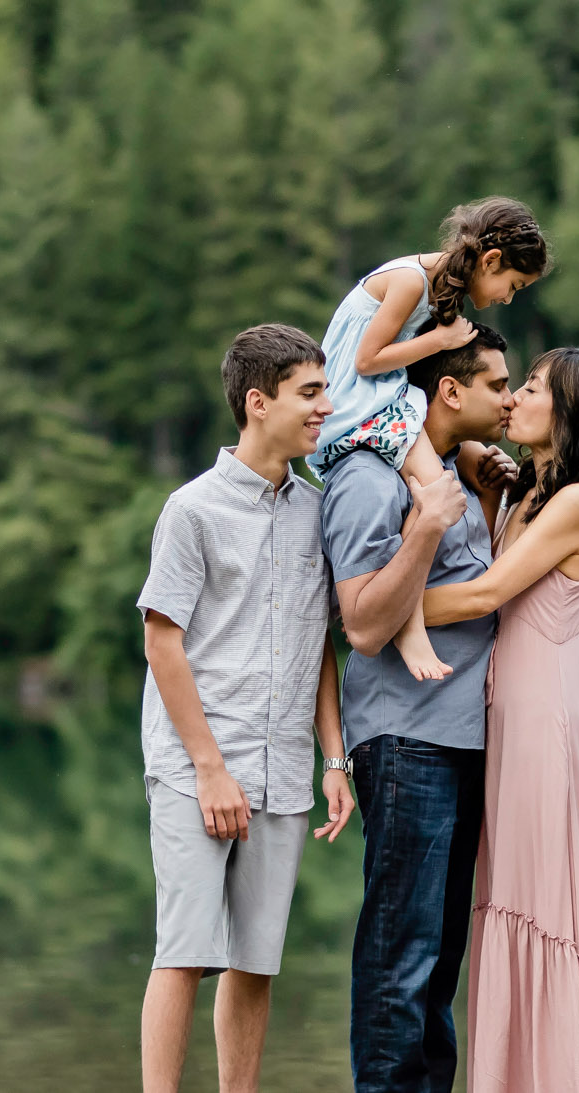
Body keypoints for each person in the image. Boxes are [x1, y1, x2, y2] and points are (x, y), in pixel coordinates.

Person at [135, 324, 358, 1093]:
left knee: (256, 959)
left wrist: (335, 758)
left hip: (287, 768)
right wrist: (209, 771)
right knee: (186, 953)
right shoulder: (190, 510)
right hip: (200, 766)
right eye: (310, 393)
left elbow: (319, 644)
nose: (325, 406)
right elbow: (162, 643)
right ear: (258, 403)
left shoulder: (316, 511)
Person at [422, 347, 579, 1092]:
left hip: (548, 718)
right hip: (508, 717)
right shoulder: (532, 493)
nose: (513, 397)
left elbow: (485, 595)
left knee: (550, 906)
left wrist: (376, 610)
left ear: (572, 412)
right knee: (512, 899)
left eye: (533, 388)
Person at [320, 324, 517, 1093]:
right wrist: (429, 523)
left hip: (461, 740)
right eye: (498, 383)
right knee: (401, 959)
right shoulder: (371, 478)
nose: (508, 396)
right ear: (450, 389)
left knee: (438, 966)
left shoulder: (459, 474)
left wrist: (483, 495)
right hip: (406, 742)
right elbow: (364, 623)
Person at [310, 197, 550, 683]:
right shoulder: (410, 281)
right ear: (490, 261)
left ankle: (416, 611)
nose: (507, 297)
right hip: (357, 399)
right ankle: (410, 624)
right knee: (435, 490)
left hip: (387, 395)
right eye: (512, 285)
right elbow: (366, 360)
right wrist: (440, 342)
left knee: (459, 466)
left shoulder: (447, 290)